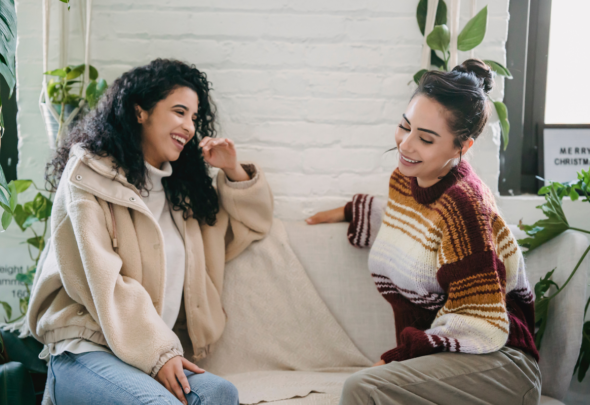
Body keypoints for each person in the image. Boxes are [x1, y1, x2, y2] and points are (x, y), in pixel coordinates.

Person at [27, 59, 274, 405]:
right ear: (140, 111)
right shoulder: (88, 176)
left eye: (193, 117)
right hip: (85, 348)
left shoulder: (183, 198)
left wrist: (232, 169)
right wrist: (159, 352)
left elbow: (253, 224)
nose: (189, 127)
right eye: (179, 112)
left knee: (221, 393)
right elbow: (103, 282)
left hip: (145, 358)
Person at [306, 59, 541, 405]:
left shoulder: (465, 205)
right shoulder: (408, 177)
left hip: (500, 365)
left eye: (426, 139)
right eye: (405, 126)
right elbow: (416, 225)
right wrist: (349, 212)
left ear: (462, 147)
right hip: (451, 358)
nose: (406, 145)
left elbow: (476, 321)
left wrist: (397, 356)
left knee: (362, 388)